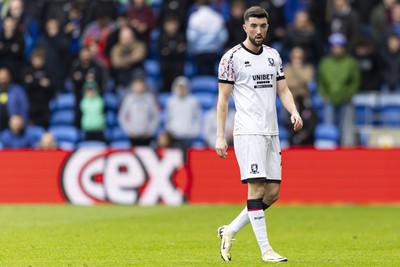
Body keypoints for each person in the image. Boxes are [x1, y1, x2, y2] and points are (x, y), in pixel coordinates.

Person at [215, 6, 303, 263]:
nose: (258, 31)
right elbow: (223, 99)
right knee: (256, 191)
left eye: (263, 26)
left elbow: (283, 90)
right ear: (245, 27)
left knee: (272, 193)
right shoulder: (231, 58)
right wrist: (220, 136)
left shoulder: (273, 56)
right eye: (253, 26)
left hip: (271, 132)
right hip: (248, 132)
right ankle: (266, 251)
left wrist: (294, 111)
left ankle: (229, 230)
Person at [318, 33, 360, 145]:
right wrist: (324, 94)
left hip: (346, 99)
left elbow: (355, 82)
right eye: (334, 47)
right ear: (331, 48)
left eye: (339, 47)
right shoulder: (325, 62)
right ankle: (329, 149)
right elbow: (321, 81)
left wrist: (349, 94)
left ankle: (346, 151)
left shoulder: (350, 62)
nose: (337, 49)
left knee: (346, 127)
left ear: (344, 47)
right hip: (329, 99)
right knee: (329, 126)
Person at [118, 75, 159, 146]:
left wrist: (150, 131)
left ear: (144, 86)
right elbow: (122, 116)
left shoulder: (149, 98)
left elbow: (155, 116)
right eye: (136, 85)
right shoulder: (128, 99)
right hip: (133, 136)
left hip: (146, 136)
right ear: (133, 86)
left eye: (140, 84)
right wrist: (129, 131)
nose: (138, 87)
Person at [165, 76, 201, 148]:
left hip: (189, 136)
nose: (181, 90)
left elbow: (198, 118)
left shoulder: (193, 101)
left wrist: (194, 131)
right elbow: (168, 118)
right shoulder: (170, 102)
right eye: (179, 87)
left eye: (183, 87)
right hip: (175, 136)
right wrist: (170, 130)